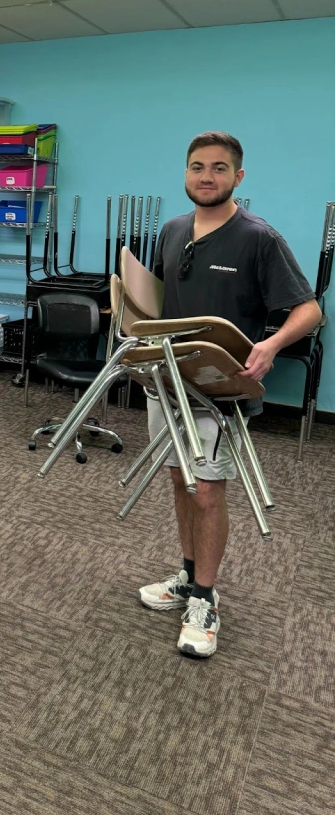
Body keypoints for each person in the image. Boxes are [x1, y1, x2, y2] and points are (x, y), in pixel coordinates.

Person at [139, 132, 321, 657]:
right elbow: (159, 298)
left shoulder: (258, 238)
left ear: (238, 177)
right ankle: (189, 575)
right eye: (197, 167)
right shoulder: (173, 231)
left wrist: (271, 344)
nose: (206, 176)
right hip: (167, 380)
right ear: (185, 173)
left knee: (208, 491)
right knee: (180, 480)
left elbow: (309, 310)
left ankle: (206, 599)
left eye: (219, 168)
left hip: (219, 389)